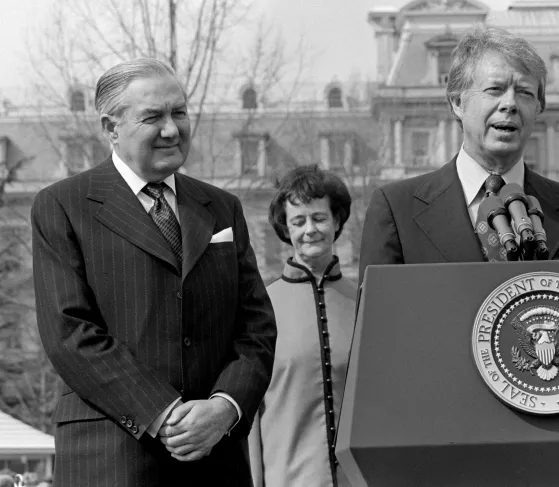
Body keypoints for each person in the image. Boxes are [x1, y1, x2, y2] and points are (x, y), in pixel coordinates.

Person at [31, 58, 277, 487]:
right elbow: (69, 333)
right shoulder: (63, 206)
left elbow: (255, 328)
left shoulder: (222, 208)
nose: (172, 129)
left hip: (214, 459)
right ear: (111, 127)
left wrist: (224, 407)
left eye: (179, 112)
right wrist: (163, 414)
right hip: (110, 458)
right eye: (153, 117)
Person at [358, 26, 559, 278]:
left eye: (525, 92)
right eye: (495, 90)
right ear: (458, 103)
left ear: (539, 108)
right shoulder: (396, 209)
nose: (510, 104)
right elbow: (377, 318)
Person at [248, 165, 356, 486]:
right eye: (298, 221)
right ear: (286, 229)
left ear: (336, 221)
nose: (310, 229)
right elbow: (252, 416)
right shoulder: (260, 308)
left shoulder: (365, 301)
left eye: (319, 218)